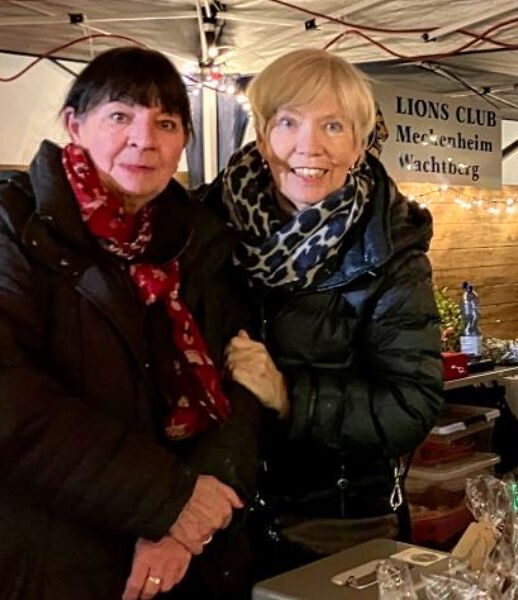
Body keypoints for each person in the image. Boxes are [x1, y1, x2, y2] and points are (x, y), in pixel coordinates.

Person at [0, 47, 262, 600]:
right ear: (74, 124)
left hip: (157, 566)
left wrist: (188, 519)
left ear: (184, 140)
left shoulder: (198, 244)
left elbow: (240, 384)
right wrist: (168, 500)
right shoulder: (8, 225)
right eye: (120, 116)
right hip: (11, 562)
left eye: (165, 123)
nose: (144, 138)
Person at [214, 49, 444, 572]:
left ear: (360, 145)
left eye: (333, 126)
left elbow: (412, 403)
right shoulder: (207, 225)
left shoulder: (390, 250)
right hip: (215, 523)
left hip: (336, 527)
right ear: (262, 131)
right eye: (288, 122)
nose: (308, 146)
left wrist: (289, 395)